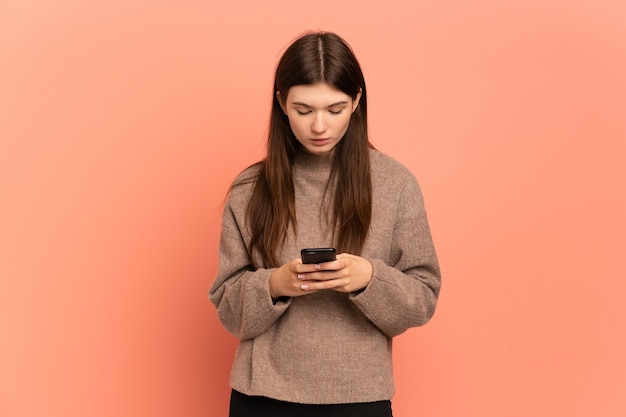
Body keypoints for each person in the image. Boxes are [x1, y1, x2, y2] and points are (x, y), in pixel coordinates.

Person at [209, 31, 441, 417]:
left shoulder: (395, 184)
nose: (319, 126)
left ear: (356, 102)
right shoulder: (250, 188)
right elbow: (227, 308)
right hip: (262, 397)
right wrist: (276, 284)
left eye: (335, 110)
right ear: (281, 102)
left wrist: (368, 277)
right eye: (304, 110)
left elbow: (424, 297)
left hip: (360, 396)